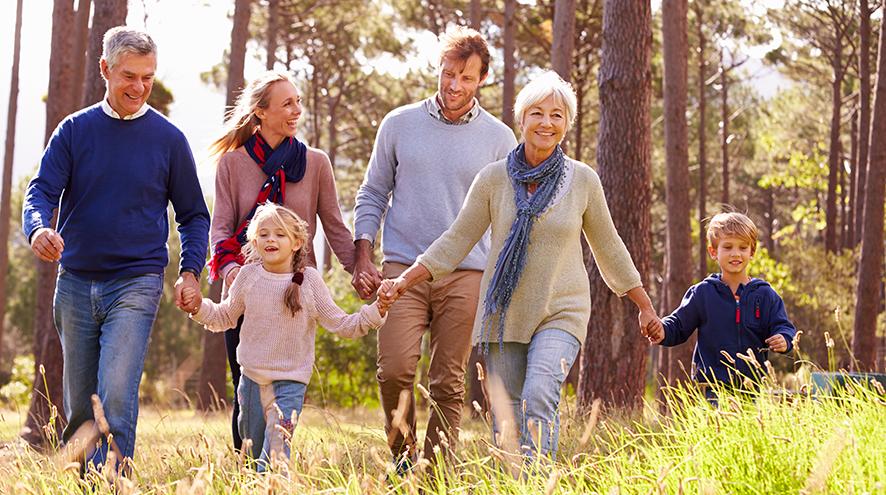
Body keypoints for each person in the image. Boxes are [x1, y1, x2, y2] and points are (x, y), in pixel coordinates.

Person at [379, 71, 661, 461]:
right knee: (508, 415)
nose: (547, 123)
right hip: (505, 314)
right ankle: (514, 480)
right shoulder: (493, 179)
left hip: (561, 310)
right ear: (521, 119)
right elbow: (456, 240)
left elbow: (609, 246)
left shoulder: (583, 180)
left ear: (567, 124)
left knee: (539, 393)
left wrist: (644, 304)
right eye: (537, 113)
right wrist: (404, 280)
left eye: (557, 115)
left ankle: (536, 483)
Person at [21, 26, 210, 468]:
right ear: (105, 69)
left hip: (137, 282)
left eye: (147, 77)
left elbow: (194, 215)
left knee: (117, 394)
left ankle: (115, 480)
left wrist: (189, 271)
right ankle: (83, 479)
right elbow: (41, 192)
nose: (140, 87)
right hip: (75, 284)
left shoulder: (169, 140)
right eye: (129, 76)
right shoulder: (74, 131)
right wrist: (36, 229)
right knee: (82, 407)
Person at [352, 27, 517, 468]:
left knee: (447, 381)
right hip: (401, 269)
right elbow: (372, 193)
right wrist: (363, 254)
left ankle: (436, 472)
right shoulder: (399, 124)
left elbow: (508, 215)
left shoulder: (500, 140)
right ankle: (403, 461)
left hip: (466, 272)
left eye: (465, 77)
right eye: (447, 74)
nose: (454, 86)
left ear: (482, 79)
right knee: (395, 369)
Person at [207, 70, 362, 451]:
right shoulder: (232, 164)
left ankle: (275, 466)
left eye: (298, 102)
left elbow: (335, 226)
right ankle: (247, 470)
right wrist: (233, 276)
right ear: (260, 112)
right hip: (248, 291)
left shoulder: (316, 163)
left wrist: (359, 270)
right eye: (287, 103)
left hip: (295, 291)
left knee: (287, 391)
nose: (297, 111)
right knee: (245, 389)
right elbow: (221, 229)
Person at [180, 203, 386, 470]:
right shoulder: (248, 276)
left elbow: (343, 324)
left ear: (297, 242)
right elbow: (224, 317)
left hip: (290, 384)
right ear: (254, 240)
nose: (271, 240)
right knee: (252, 456)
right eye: (263, 234)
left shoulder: (309, 282)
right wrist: (197, 307)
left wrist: (377, 310)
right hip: (251, 382)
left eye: (279, 234)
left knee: (275, 457)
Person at [648, 212, 796, 399]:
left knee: (749, 428)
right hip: (713, 387)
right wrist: (662, 331)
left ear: (752, 252)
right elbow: (678, 325)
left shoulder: (765, 294)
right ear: (713, 252)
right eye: (727, 247)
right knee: (719, 427)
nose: (736, 253)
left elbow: (783, 325)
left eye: (743, 247)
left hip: (753, 388)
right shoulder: (703, 293)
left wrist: (784, 338)